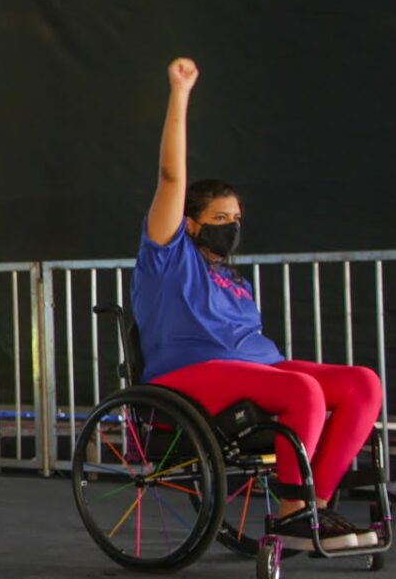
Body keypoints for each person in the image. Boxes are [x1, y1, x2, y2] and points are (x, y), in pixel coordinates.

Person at [135, 57, 383, 549]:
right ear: (191, 222)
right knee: (302, 392)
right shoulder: (168, 255)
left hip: (259, 372)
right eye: (220, 216)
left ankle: (316, 506)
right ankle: (291, 513)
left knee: (361, 384)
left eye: (237, 217)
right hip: (189, 377)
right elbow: (170, 178)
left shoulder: (232, 278)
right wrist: (180, 93)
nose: (232, 225)